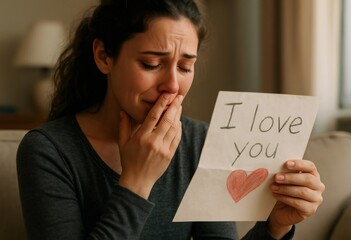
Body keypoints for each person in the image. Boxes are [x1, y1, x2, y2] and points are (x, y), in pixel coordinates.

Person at [16, 0, 325, 239]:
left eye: (185, 67)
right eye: (151, 63)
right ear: (104, 56)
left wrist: (276, 226)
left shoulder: (197, 141)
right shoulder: (48, 151)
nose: (173, 86)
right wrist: (137, 180)